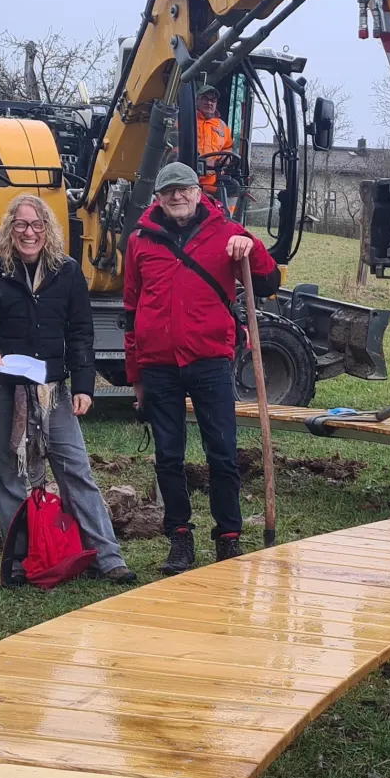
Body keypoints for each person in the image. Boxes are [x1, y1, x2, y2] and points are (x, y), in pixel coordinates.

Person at [0, 194, 137, 585]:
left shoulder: (67, 272)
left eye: (37, 225)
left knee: (76, 469)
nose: (30, 232)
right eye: (22, 225)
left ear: (48, 230)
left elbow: (80, 333)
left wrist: (85, 386)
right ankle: (22, 561)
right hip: (4, 388)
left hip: (52, 390)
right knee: (10, 474)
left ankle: (107, 558)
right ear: (10, 229)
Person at [124, 161, 280, 574]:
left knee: (224, 455)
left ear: (199, 192)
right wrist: (135, 374)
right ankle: (180, 540)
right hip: (158, 366)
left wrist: (252, 246)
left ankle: (228, 538)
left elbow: (269, 281)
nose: (177, 196)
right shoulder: (140, 241)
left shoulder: (228, 234)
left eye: (184, 189)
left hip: (210, 361)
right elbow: (130, 309)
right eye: (168, 190)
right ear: (157, 198)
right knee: (168, 457)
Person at [195, 86, 234, 200]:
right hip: (187, 179)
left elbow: (228, 147)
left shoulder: (222, 125)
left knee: (234, 190)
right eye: (205, 99)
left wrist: (226, 157)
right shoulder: (186, 119)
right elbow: (173, 147)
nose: (209, 103)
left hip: (213, 181)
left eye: (213, 100)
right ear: (197, 100)